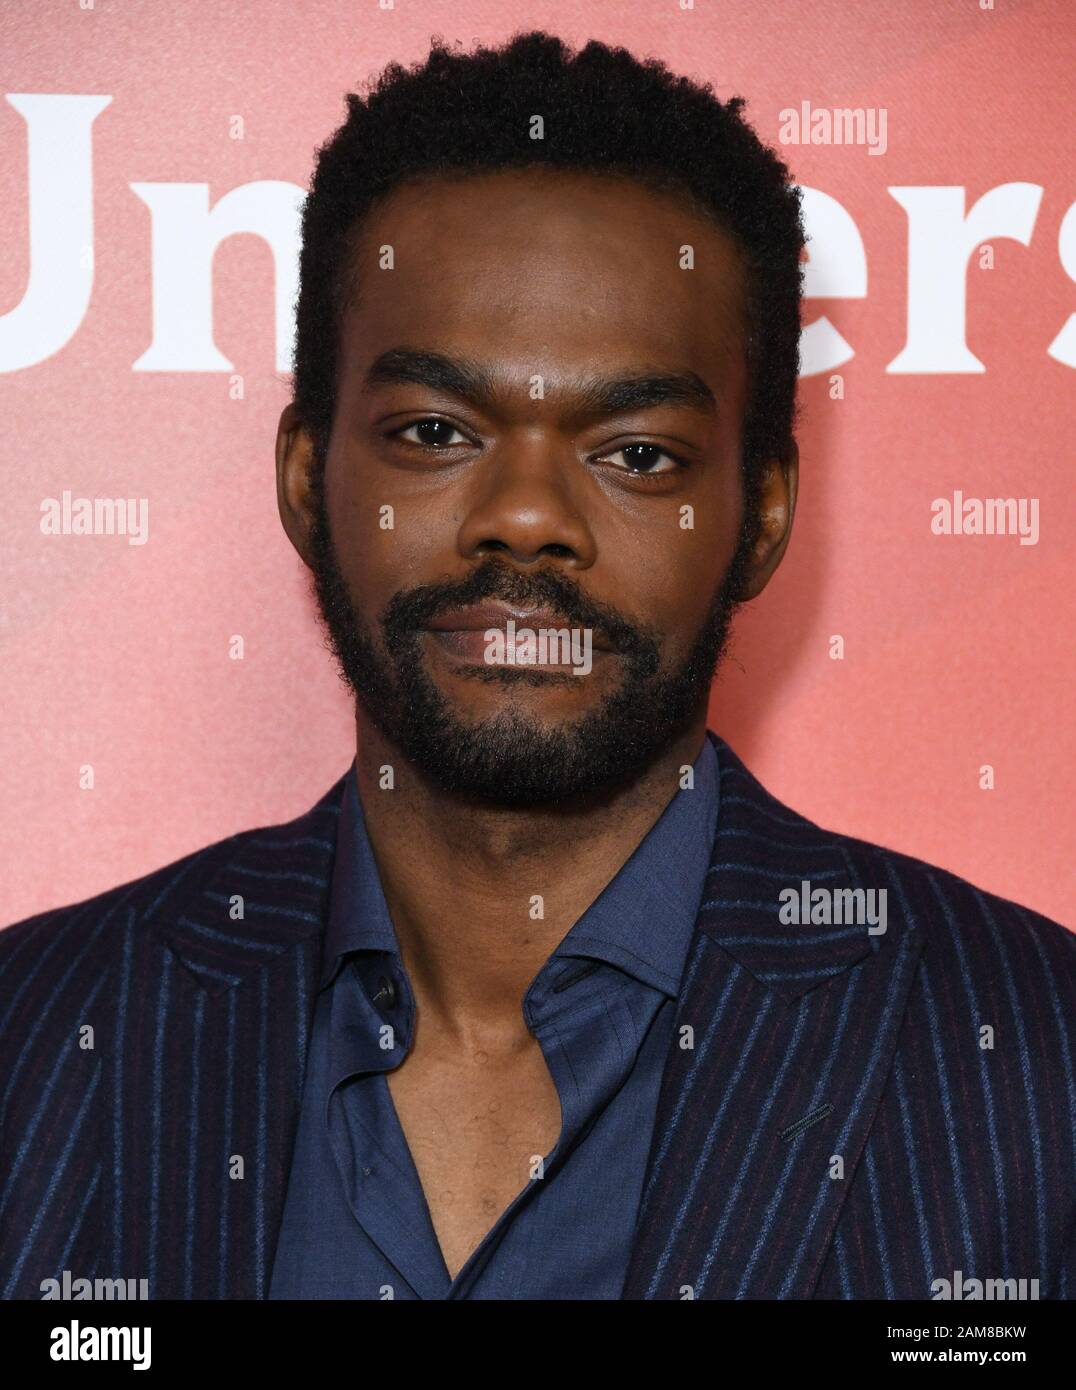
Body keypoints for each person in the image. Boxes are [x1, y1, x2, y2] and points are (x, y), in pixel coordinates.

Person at [2, 31, 1072, 1302]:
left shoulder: (1030, 1063)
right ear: (304, 479)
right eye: (436, 430)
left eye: (635, 453)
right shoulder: (36, 1036)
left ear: (764, 514)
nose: (523, 514)